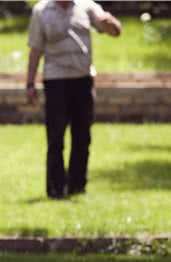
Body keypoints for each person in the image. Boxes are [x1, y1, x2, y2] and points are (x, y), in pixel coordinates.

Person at [26, 0, 121, 199]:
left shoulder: (87, 7)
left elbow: (115, 31)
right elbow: (36, 49)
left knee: (82, 136)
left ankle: (77, 186)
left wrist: (109, 23)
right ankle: (55, 188)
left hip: (82, 80)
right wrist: (30, 83)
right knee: (55, 137)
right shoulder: (41, 11)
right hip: (55, 81)